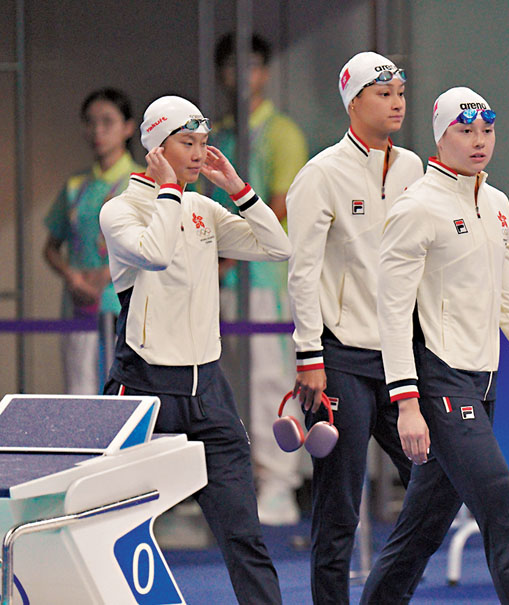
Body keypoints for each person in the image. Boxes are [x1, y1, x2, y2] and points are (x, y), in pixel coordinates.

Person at [360, 86, 509, 605]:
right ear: (441, 138)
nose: (479, 141)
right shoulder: (417, 208)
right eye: (465, 131)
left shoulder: (497, 203)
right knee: (505, 511)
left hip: (483, 382)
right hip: (439, 381)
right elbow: (392, 314)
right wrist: (407, 403)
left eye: (486, 130)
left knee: (420, 531)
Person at [99, 95, 291, 605]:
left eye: (204, 144)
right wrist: (166, 190)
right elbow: (156, 255)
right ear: (156, 147)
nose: (199, 154)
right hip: (142, 389)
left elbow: (278, 246)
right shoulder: (119, 211)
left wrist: (238, 189)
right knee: (110, 532)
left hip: (208, 392)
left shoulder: (204, 207)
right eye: (187, 143)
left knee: (243, 535)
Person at [285, 51, 421, 605]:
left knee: (434, 483)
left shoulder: (415, 170)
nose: (396, 103)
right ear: (354, 100)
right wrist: (308, 355)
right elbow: (303, 269)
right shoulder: (321, 174)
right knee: (339, 506)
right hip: (340, 359)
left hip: (402, 359)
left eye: (400, 94)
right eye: (383, 93)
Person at [210, 32, 310, 526]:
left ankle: (280, 484)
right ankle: (247, 480)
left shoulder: (281, 132)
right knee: (229, 388)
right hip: (221, 282)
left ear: (265, 72)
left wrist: (228, 257)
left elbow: (280, 203)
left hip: (264, 278)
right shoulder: (221, 134)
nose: (241, 75)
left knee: (270, 383)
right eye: (231, 65)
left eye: (251, 64)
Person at [43, 88, 142, 395]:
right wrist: (71, 275)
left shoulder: (144, 181)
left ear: (128, 127)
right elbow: (50, 247)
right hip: (80, 306)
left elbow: (155, 245)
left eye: (107, 122)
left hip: (128, 307)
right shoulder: (76, 185)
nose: (97, 131)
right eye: (90, 122)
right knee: (80, 392)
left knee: (126, 397)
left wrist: (105, 275)